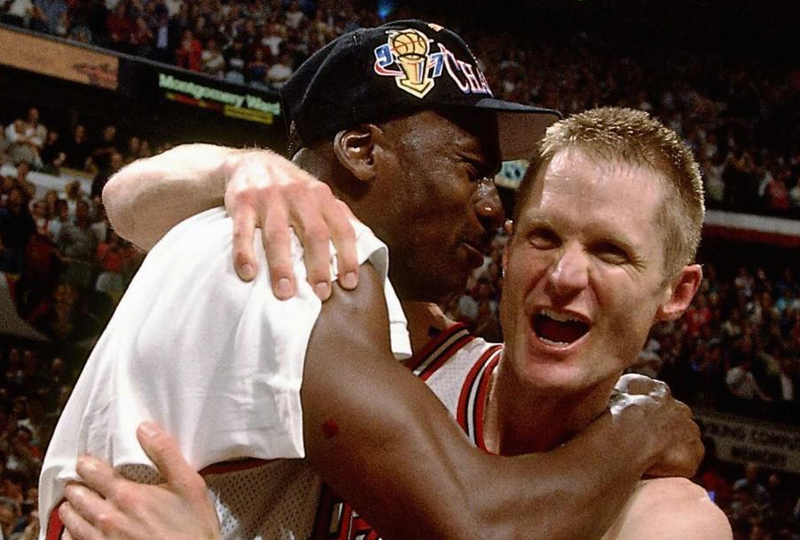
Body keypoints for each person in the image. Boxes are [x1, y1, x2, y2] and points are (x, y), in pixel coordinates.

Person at [42, 21, 701, 540]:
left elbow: (122, 200)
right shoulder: (316, 266)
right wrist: (640, 429)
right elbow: (479, 525)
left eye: (611, 252)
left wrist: (225, 165)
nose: (491, 207)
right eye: (470, 168)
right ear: (361, 151)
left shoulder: (226, 229)